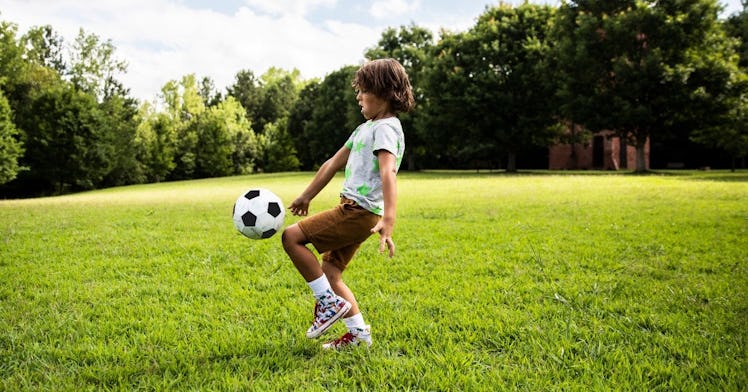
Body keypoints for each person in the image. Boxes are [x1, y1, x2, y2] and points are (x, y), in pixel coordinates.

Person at [281, 58, 415, 350]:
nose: (358, 96)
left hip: (358, 211)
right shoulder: (364, 129)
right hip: (357, 211)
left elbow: (387, 172)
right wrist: (307, 195)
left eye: (363, 90)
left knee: (291, 237)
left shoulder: (386, 129)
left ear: (383, 92)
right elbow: (332, 163)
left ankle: (328, 303)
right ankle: (358, 336)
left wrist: (389, 219)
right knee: (330, 273)